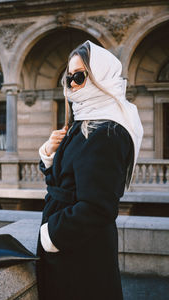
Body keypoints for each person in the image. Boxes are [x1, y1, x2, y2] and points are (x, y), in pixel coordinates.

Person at [36, 40, 143, 300]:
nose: (72, 84)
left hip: (81, 253)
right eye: (69, 77)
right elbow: (64, 182)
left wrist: (51, 234)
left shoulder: (107, 130)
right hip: (72, 246)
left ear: (101, 77)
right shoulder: (85, 119)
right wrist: (50, 154)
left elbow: (98, 207)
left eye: (80, 76)